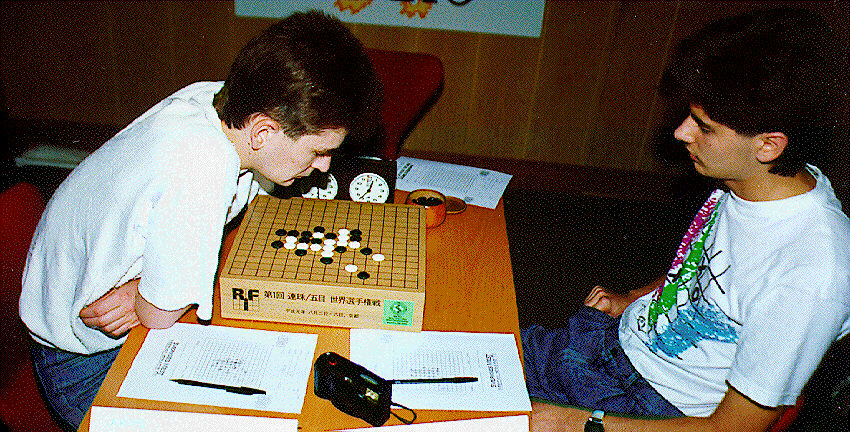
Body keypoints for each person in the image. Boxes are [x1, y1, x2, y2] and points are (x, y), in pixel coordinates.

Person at [19, 10, 381, 430]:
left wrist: (147, 289)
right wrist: (152, 294)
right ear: (263, 132)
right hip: (81, 365)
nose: (324, 166)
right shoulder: (202, 166)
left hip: (75, 309)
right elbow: (158, 315)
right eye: (318, 151)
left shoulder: (219, 101)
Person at [522, 8, 850, 432]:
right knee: (459, 350)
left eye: (704, 127)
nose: (681, 133)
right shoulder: (749, 182)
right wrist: (634, 298)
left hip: (656, 405)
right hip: (615, 345)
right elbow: (706, 272)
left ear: (769, 146)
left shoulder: (812, 274)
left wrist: (574, 424)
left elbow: (729, 430)